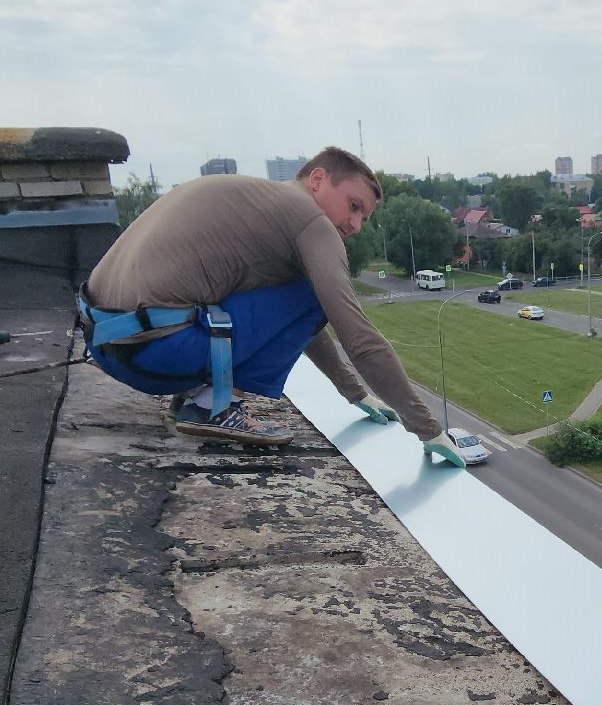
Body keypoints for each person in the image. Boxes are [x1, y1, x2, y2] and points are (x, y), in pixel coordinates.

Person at [80, 146, 464, 466]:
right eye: (353, 206)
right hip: (155, 355)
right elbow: (358, 337)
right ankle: (212, 405)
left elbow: (294, 321)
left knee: (305, 291)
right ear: (317, 180)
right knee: (316, 292)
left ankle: (199, 397)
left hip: (109, 345)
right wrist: (427, 428)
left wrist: (355, 392)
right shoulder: (311, 221)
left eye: (364, 216)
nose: (356, 224)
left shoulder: (263, 202)